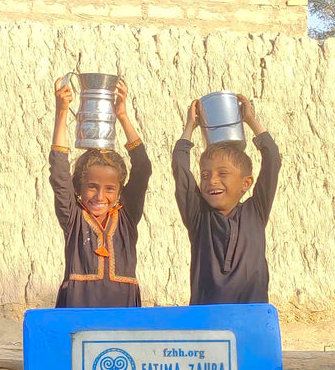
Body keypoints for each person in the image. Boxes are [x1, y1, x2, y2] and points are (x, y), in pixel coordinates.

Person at [49, 77, 151, 307]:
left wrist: (122, 117)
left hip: (122, 308)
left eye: (109, 189)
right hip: (78, 306)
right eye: (92, 187)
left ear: (120, 191)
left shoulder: (126, 217)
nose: (100, 196)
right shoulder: (73, 218)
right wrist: (62, 113)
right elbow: (58, 172)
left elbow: (143, 168)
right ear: (78, 187)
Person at [171, 94, 281, 304]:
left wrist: (250, 120)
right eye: (205, 175)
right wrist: (190, 127)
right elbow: (180, 167)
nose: (212, 181)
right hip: (207, 323)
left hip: (250, 319)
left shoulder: (255, 212)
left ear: (246, 183)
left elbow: (272, 159)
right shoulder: (198, 217)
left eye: (223, 174)